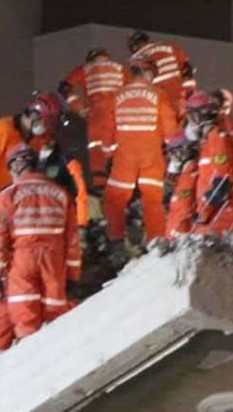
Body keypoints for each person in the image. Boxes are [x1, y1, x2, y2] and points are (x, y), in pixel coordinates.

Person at [0, 144, 80, 340]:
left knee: (25, 316)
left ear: (15, 166)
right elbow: (71, 238)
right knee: (56, 314)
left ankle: (32, 360)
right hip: (54, 261)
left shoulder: (8, 195)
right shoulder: (61, 193)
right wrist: (73, 275)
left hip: (22, 261)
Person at [104, 59, 179, 258]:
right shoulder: (159, 94)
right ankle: (156, 244)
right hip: (152, 156)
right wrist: (174, 152)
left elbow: (108, 128)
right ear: (147, 73)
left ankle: (117, 243)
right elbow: (170, 129)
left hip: (124, 157)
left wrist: (108, 152)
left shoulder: (117, 95)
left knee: (115, 200)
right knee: (152, 201)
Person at [0, 93, 61, 250]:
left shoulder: (35, 140)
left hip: (8, 198)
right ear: (34, 115)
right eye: (45, 121)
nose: (46, 126)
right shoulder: (3, 129)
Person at [60, 48, 126, 191]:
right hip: (118, 115)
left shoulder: (85, 69)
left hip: (97, 115)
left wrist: (77, 106)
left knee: (97, 153)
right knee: (119, 152)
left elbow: (64, 87)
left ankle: (100, 188)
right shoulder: (120, 69)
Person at [185, 92, 233, 235]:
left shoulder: (219, 139)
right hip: (211, 217)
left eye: (192, 117)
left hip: (219, 218)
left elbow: (221, 184)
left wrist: (203, 214)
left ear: (202, 116)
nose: (191, 123)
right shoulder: (209, 142)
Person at [128, 31, 191, 115]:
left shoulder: (137, 58)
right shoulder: (169, 45)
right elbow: (187, 68)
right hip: (177, 90)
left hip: (156, 94)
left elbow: (136, 82)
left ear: (134, 46)